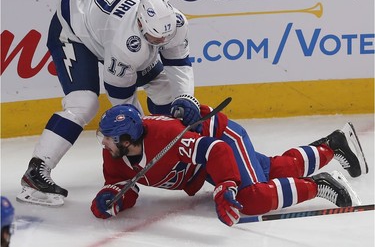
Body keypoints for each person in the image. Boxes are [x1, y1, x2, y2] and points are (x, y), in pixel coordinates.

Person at [17, 0, 201, 206]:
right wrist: (142, 146)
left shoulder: (175, 23)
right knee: (83, 103)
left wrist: (185, 97)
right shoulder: (126, 43)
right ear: (141, 25)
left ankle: (183, 150)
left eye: (166, 37)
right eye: (155, 39)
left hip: (102, 23)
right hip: (73, 28)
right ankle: (37, 170)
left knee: (165, 90)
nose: (162, 43)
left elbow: (178, 63)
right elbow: (123, 102)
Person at [90, 104, 368, 226]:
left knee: (251, 198)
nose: (104, 143)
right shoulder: (114, 155)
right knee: (275, 171)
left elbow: (217, 150)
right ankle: (333, 145)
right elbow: (119, 185)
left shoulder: (166, 138)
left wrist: (226, 187)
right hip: (204, 167)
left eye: (109, 138)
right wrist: (112, 199)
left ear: (127, 140)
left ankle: (318, 185)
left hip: (222, 139)